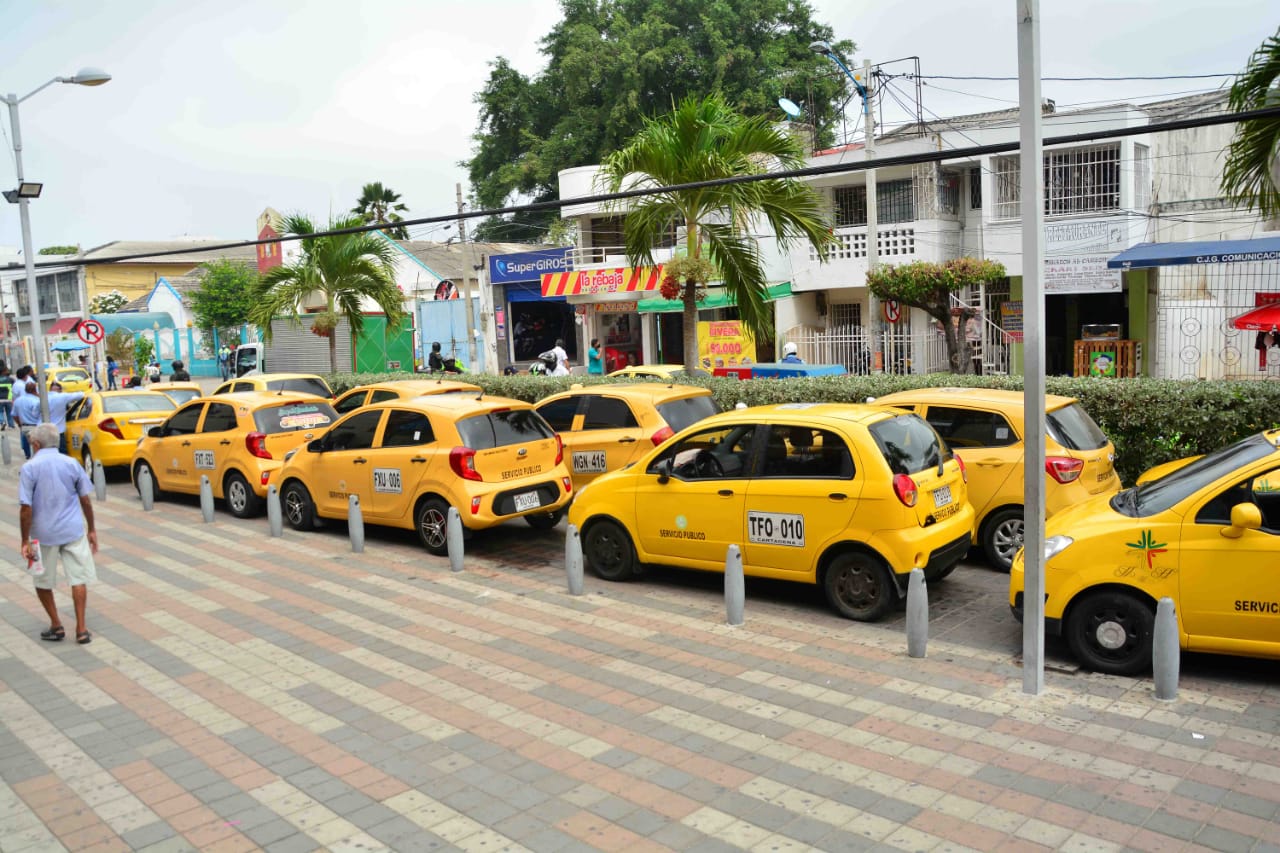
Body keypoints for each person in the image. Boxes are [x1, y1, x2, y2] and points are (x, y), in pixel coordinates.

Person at [19, 422, 99, 645]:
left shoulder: (29, 468)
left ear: (36, 444)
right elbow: (85, 499)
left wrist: (24, 540)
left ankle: (56, 624)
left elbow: (26, 509)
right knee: (78, 578)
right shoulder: (72, 463)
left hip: (41, 534)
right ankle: (81, 629)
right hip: (73, 530)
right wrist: (91, 528)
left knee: (42, 579)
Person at [46, 382, 86, 454]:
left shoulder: (43, 398)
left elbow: (35, 413)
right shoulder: (62, 397)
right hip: (58, 431)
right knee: (62, 452)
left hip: (45, 431)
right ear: (60, 390)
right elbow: (81, 395)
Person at [13, 381, 41, 459]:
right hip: (36, 426)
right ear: (35, 390)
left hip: (24, 426)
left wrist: (19, 424)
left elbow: (14, 415)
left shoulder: (18, 400)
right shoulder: (37, 400)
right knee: (36, 447)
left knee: (26, 443)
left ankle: (27, 456)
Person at [0, 366, 14, 430]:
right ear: (3, 372)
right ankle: (11, 425)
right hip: (9, 398)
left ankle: (2, 422)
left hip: (0, 399)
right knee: (9, 412)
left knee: (0, 412)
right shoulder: (10, 379)